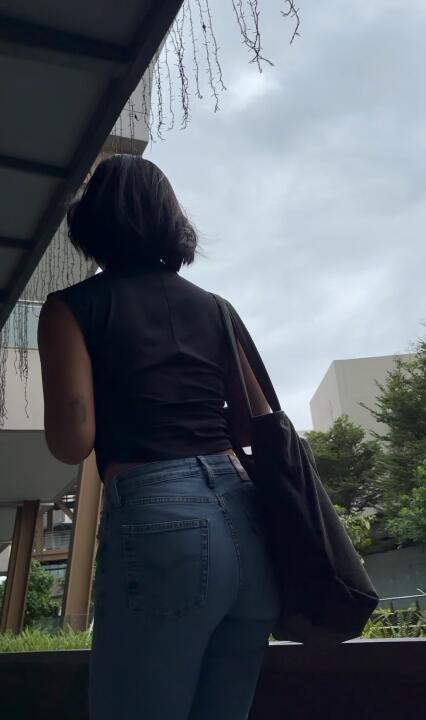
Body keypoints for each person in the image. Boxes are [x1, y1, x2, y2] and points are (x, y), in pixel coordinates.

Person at [38, 154, 281, 720]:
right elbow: (258, 421)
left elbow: (73, 440)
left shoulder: (71, 308)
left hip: (160, 520)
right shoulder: (217, 309)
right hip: (248, 524)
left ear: (91, 223)